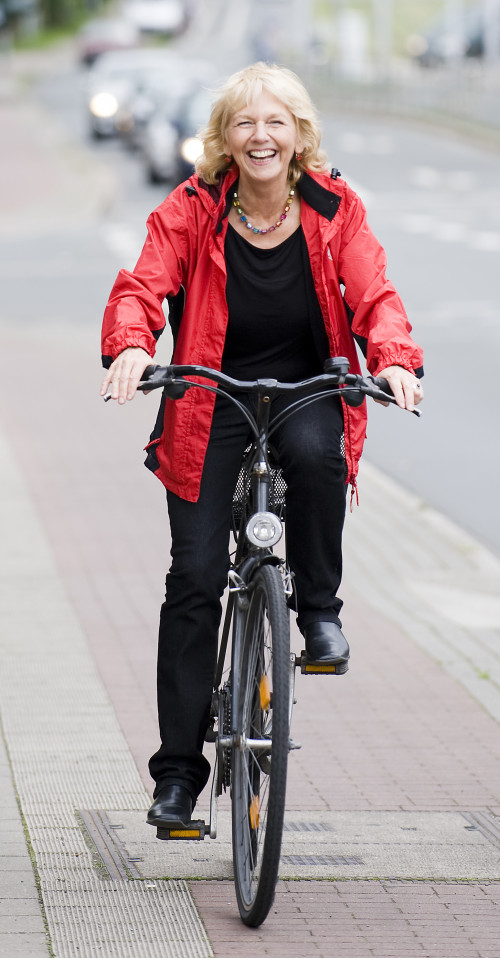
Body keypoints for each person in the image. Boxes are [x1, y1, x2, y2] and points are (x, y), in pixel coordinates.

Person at [100, 62, 424, 828]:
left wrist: (394, 360)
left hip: (306, 387)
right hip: (210, 394)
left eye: (276, 122)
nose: (260, 136)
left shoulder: (334, 209)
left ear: (300, 136)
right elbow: (142, 286)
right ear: (224, 139)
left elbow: (375, 295)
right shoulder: (191, 209)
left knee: (316, 456)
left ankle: (317, 613)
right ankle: (178, 778)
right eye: (245, 123)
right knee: (194, 580)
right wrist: (130, 344)